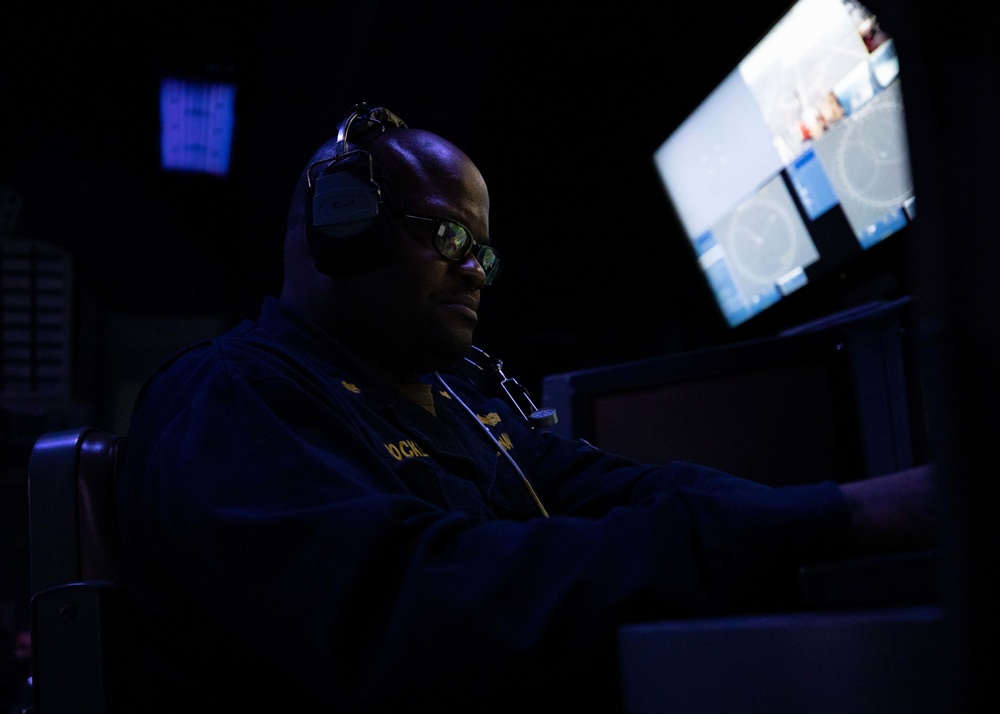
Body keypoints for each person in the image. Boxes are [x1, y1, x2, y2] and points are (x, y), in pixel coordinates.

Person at [116, 103, 940, 712]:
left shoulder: (452, 402)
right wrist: (835, 522)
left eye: (481, 252)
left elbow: (613, 488)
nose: (473, 270)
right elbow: (427, 607)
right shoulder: (233, 400)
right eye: (447, 239)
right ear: (342, 228)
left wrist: (838, 518)